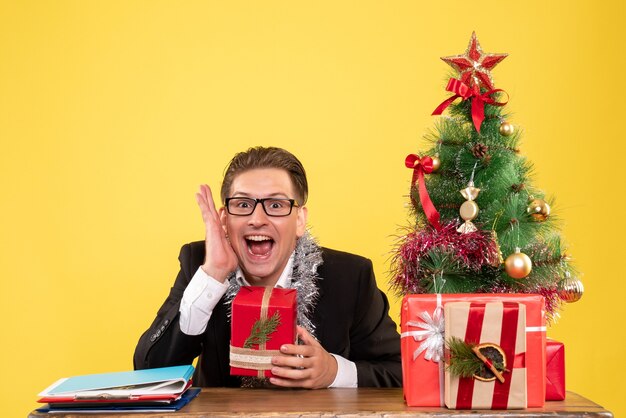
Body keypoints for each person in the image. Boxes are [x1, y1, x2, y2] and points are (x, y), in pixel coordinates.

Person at [133, 146, 402, 388]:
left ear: (299, 220)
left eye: (275, 204)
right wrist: (213, 274)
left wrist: (334, 372)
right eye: (243, 204)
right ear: (224, 219)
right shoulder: (199, 264)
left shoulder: (350, 276)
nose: (257, 219)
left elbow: (399, 372)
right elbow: (150, 373)